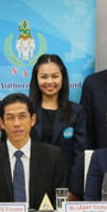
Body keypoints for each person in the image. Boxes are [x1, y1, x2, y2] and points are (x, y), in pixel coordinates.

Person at [0, 93, 67, 208]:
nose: (17, 124)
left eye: (22, 116)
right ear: (2, 123)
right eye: (10, 118)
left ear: (33, 120)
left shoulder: (53, 156)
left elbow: (59, 204)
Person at [29, 54, 87, 198]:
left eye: (55, 76)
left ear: (63, 78)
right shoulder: (26, 111)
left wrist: (74, 190)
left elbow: (80, 154)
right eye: (43, 77)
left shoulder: (76, 112)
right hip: (31, 185)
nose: (49, 81)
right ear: (36, 79)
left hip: (65, 186)